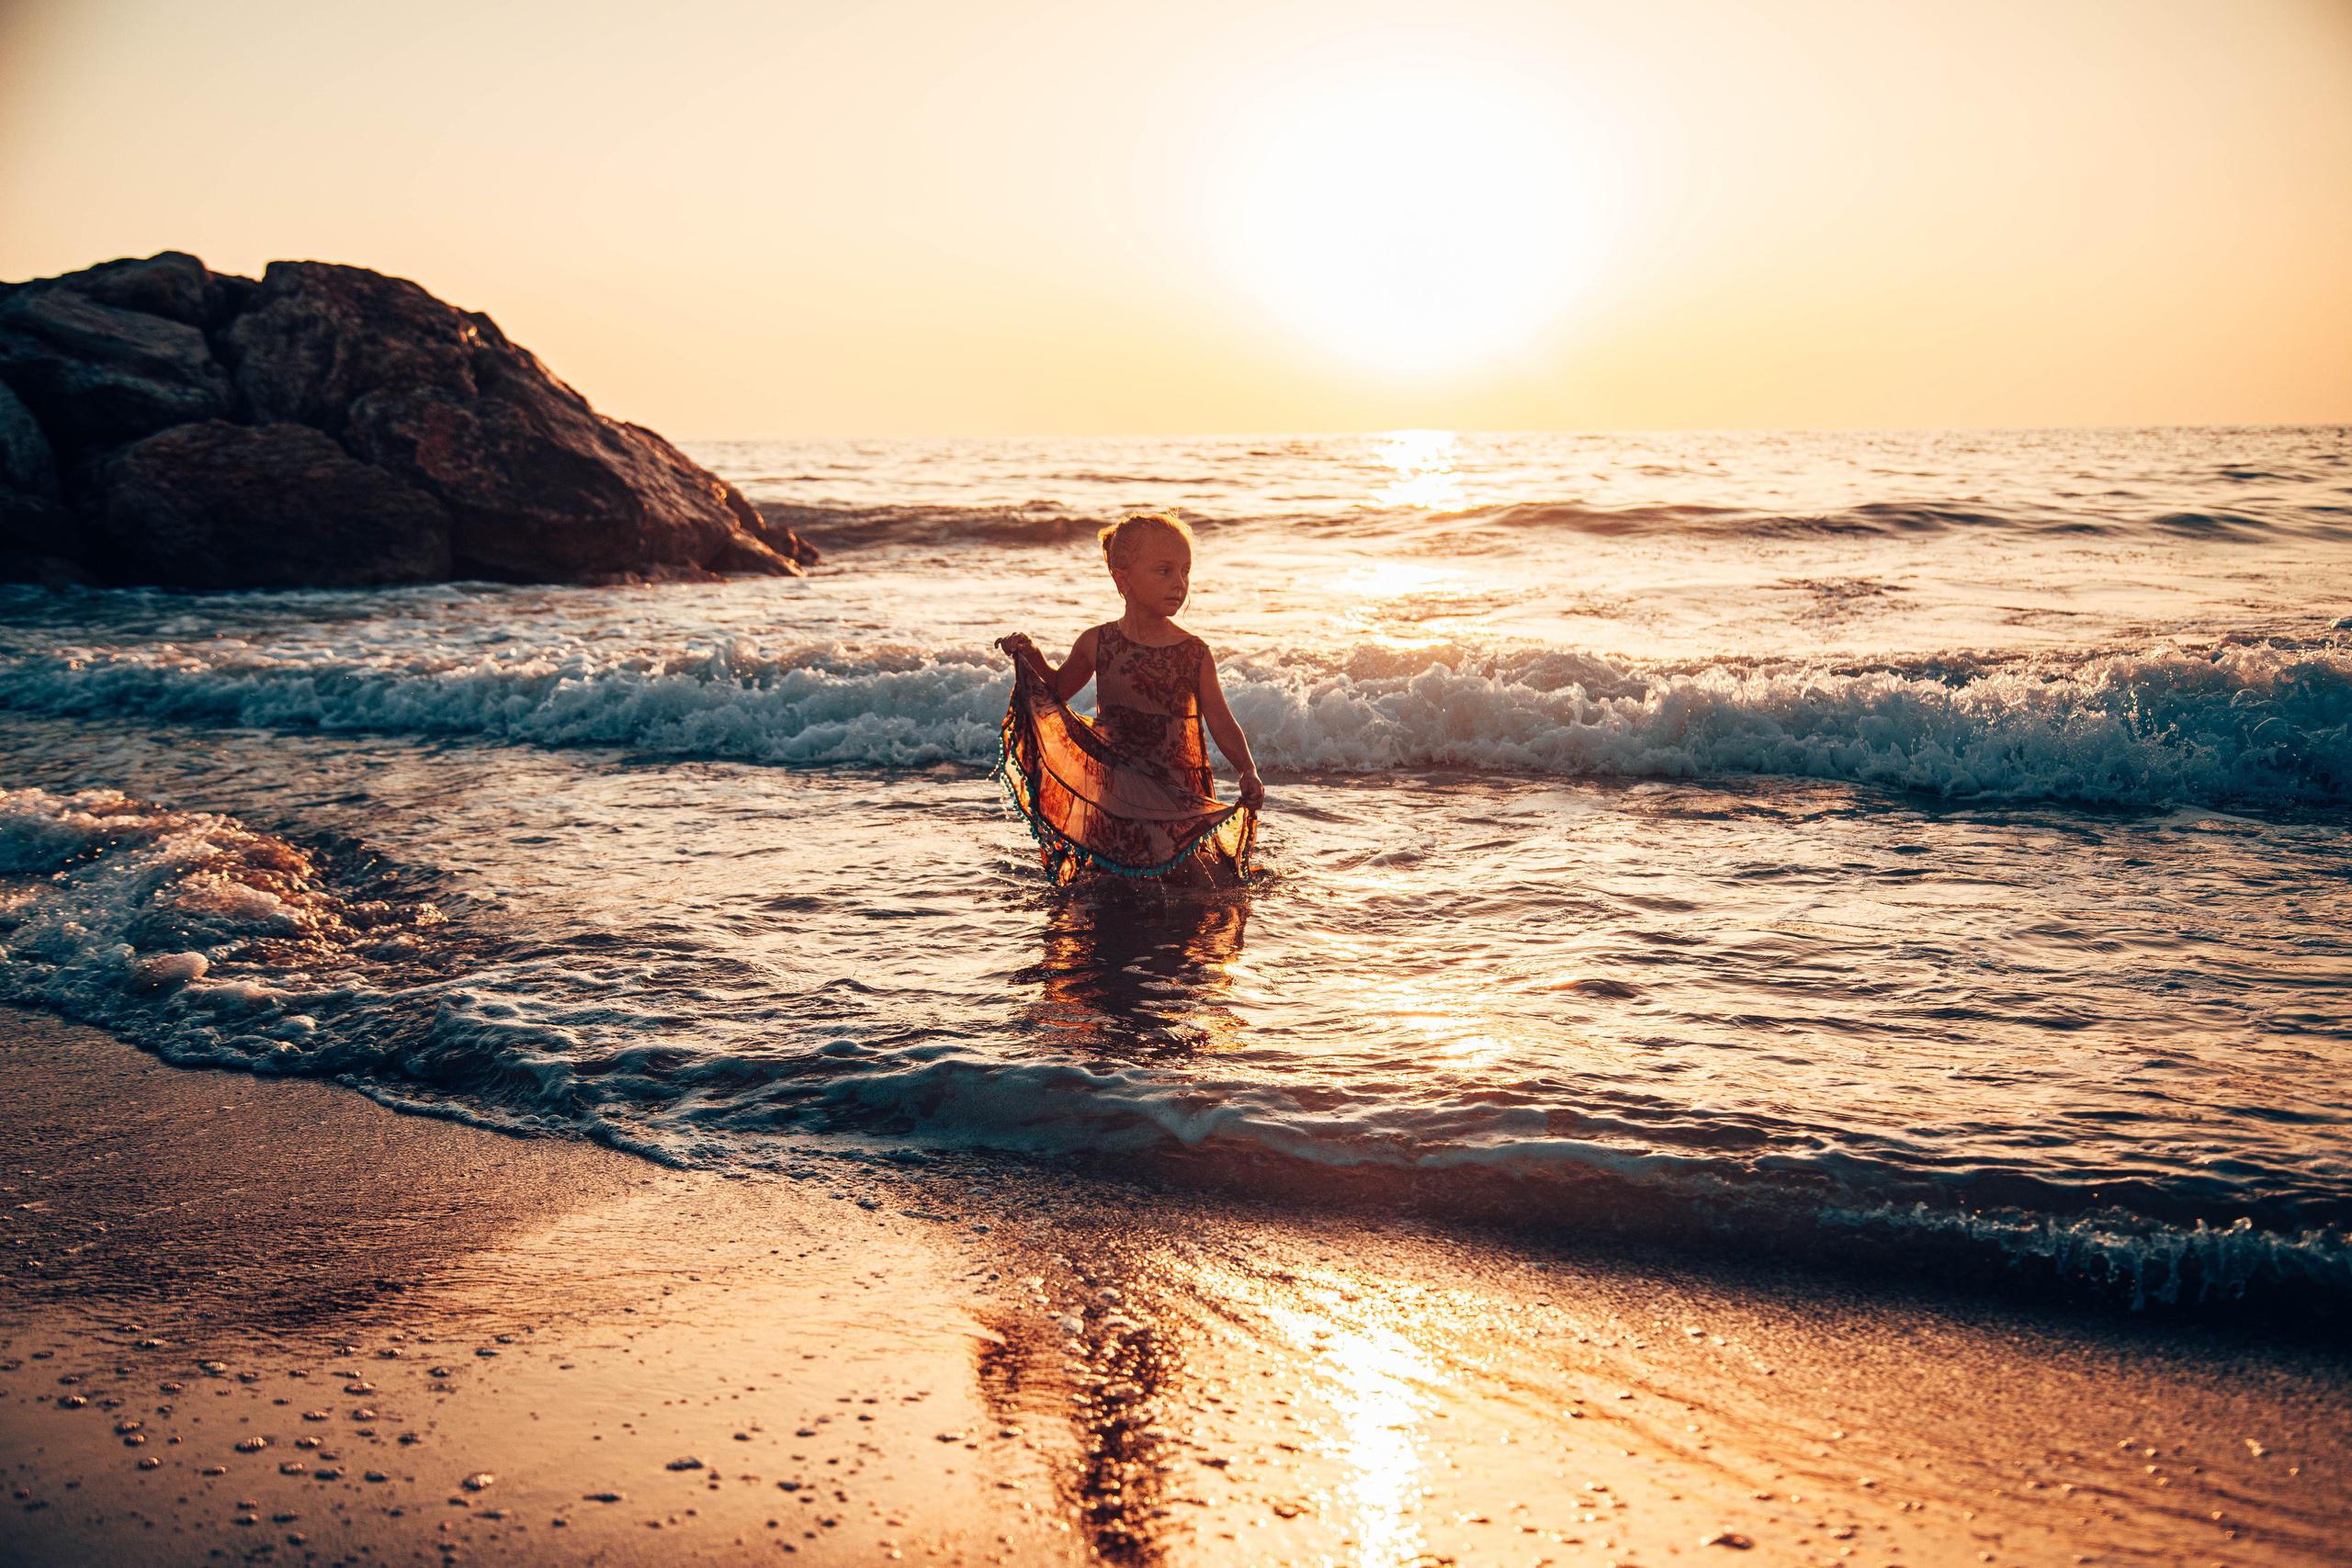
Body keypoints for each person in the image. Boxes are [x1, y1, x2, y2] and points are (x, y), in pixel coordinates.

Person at [995, 513, 1263, 886]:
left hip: (1176, 797)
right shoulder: (1097, 642)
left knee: (1186, 885)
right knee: (1114, 885)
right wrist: (1033, 656)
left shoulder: (1194, 653)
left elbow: (1220, 721)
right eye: (1164, 571)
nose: (1180, 583)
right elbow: (1057, 690)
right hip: (1118, 793)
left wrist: (1247, 770)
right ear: (1123, 578)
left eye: (1185, 571)